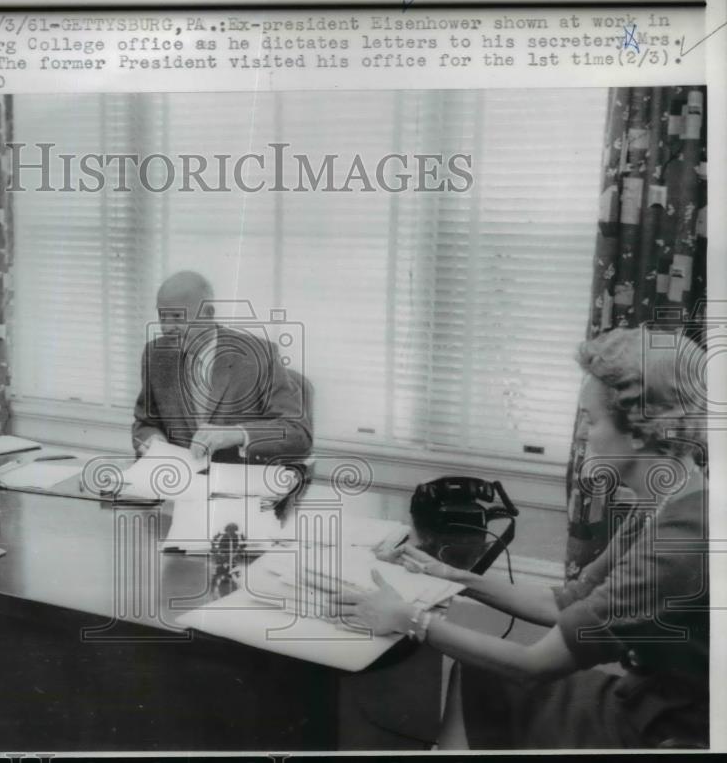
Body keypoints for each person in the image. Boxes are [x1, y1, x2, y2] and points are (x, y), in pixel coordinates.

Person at [339, 326, 708, 749]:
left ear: (640, 432)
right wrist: (451, 575)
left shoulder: (681, 540)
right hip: (650, 703)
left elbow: (536, 664)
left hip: (666, 733)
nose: (583, 435)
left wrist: (410, 619)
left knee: (490, 675)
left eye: (590, 419)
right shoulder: (665, 502)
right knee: (477, 673)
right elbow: (566, 602)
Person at [132, 271, 313, 464]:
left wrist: (237, 434)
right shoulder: (155, 355)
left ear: (208, 313)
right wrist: (151, 440)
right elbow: (145, 423)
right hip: (179, 483)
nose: (166, 328)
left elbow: (298, 433)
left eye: (177, 316)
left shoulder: (259, 355)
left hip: (241, 485)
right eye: (162, 317)